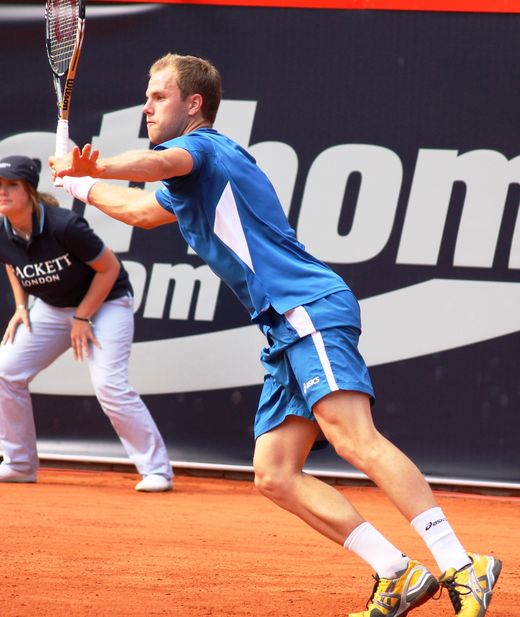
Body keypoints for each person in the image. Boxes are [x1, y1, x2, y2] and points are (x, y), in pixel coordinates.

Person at [49, 53, 501, 616]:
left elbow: (152, 167)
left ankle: (461, 563)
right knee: (274, 471)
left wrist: (96, 168)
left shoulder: (205, 150)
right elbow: (141, 211)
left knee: (353, 437)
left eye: (158, 96)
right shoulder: (193, 178)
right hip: (282, 325)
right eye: (147, 96)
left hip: (307, 306)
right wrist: (81, 184)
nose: (146, 106)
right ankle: (397, 573)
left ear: (194, 105)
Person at [0, 155, 173, 493]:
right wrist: (22, 305)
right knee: (5, 372)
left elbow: (109, 270)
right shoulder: (1, 230)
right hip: (52, 308)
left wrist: (82, 317)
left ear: (30, 191)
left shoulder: (64, 226)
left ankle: (157, 471)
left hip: (107, 303)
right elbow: (10, 261)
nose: (2, 192)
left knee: (109, 384)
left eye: (11, 185)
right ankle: (19, 464)